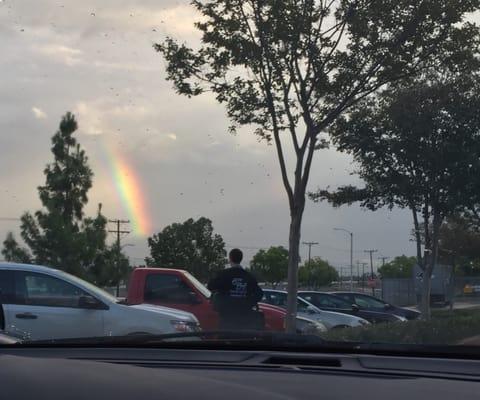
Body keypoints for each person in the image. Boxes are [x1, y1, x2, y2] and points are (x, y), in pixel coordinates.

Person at [208, 248, 264, 331]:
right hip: (244, 318)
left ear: (230, 259)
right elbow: (259, 294)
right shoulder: (248, 276)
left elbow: (210, 286)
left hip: (226, 317)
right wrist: (248, 303)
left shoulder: (223, 274)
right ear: (241, 259)